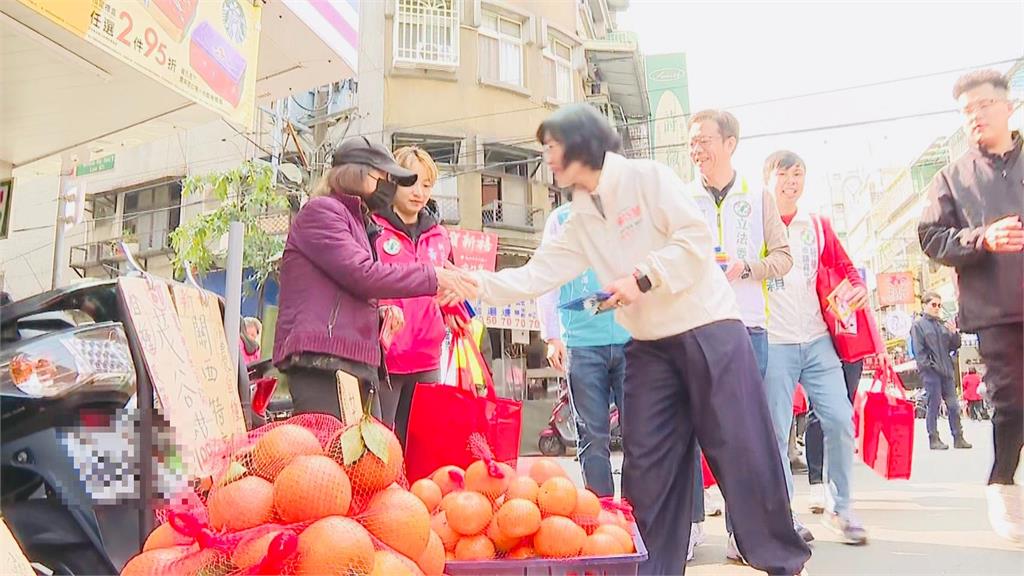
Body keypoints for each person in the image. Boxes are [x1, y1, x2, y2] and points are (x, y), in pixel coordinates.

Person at [464, 104, 810, 576]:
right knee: (647, 467)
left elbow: (693, 241)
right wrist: (471, 284)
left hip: (708, 328)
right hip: (648, 346)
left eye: (553, 149)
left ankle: (782, 560)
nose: (548, 160)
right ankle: (652, 568)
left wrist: (643, 278)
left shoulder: (648, 178)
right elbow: (537, 274)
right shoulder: (579, 219)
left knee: (742, 450)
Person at [272, 136, 476, 420]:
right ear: (358, 175)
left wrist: (379, 313)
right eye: (384, 178)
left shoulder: (357, 222)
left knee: (372, 458)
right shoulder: (323, 211)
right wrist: (433, 276)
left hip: (353, 358)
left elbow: (346, 286)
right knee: (332, 455)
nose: (389, 187)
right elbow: (362, 274)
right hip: (323, 358)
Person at [688, 109, 799, 556]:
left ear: (730, 143)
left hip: (748, 327)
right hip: (693, 327)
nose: (696, 149)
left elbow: (784, 258)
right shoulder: (681, 197)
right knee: (690, 430)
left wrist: (745, 267)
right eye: (691, 142)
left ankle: (741, 530)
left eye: (704, 140)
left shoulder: (759, 199)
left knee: (741, 432)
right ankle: (691, 524)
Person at [919, 69, 1023, 544]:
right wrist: (981, 238)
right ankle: (1002, 484)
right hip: (998, 310)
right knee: (1012, 402)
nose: (975, 116)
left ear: (1007, 106)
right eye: (966, 111)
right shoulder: (952, 176)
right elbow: (930, 237)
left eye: (983, 106)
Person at [765, 150, 872, 545]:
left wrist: (858, 289)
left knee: (840, 419)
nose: (792, 182)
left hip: (817, 340)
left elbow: (846, 270)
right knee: (776, 433)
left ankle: (841, 508)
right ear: (768, 179)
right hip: (774, 342)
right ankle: (783, 517)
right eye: (784, 175)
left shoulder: (817, 226)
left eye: (798, 175)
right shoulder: (757, 225)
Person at [536, 200, 630, 498]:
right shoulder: (561, 219)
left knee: (640, 435)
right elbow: (547, 276)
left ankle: (638, 513)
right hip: (581, 342)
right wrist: (552, 336)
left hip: (633, 340)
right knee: (592, 434)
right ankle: (603, 515)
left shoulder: (630, 214)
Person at [370, 146, 453, 444]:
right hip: (385, 358)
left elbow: (449, 286)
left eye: (427, 185)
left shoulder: (440, 236)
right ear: (393, 180)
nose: (418, 192)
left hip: (428, 356)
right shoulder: (372, 229)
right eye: (410, 182)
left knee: (421, 443)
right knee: (380, 444)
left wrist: (454, 310)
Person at [911, 292, 972, 450]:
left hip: (946, 370)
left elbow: (954, 346)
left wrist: (954, 334)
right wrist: (928, 367)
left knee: (953, 405)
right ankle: (933, 438)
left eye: (939, 305)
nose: (937, 308)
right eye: (933, 304)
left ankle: (958, 437)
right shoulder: (918, 325)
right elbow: (919, 351)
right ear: (925, 305)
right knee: (934, 404)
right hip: (931, 372)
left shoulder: (942, 324)